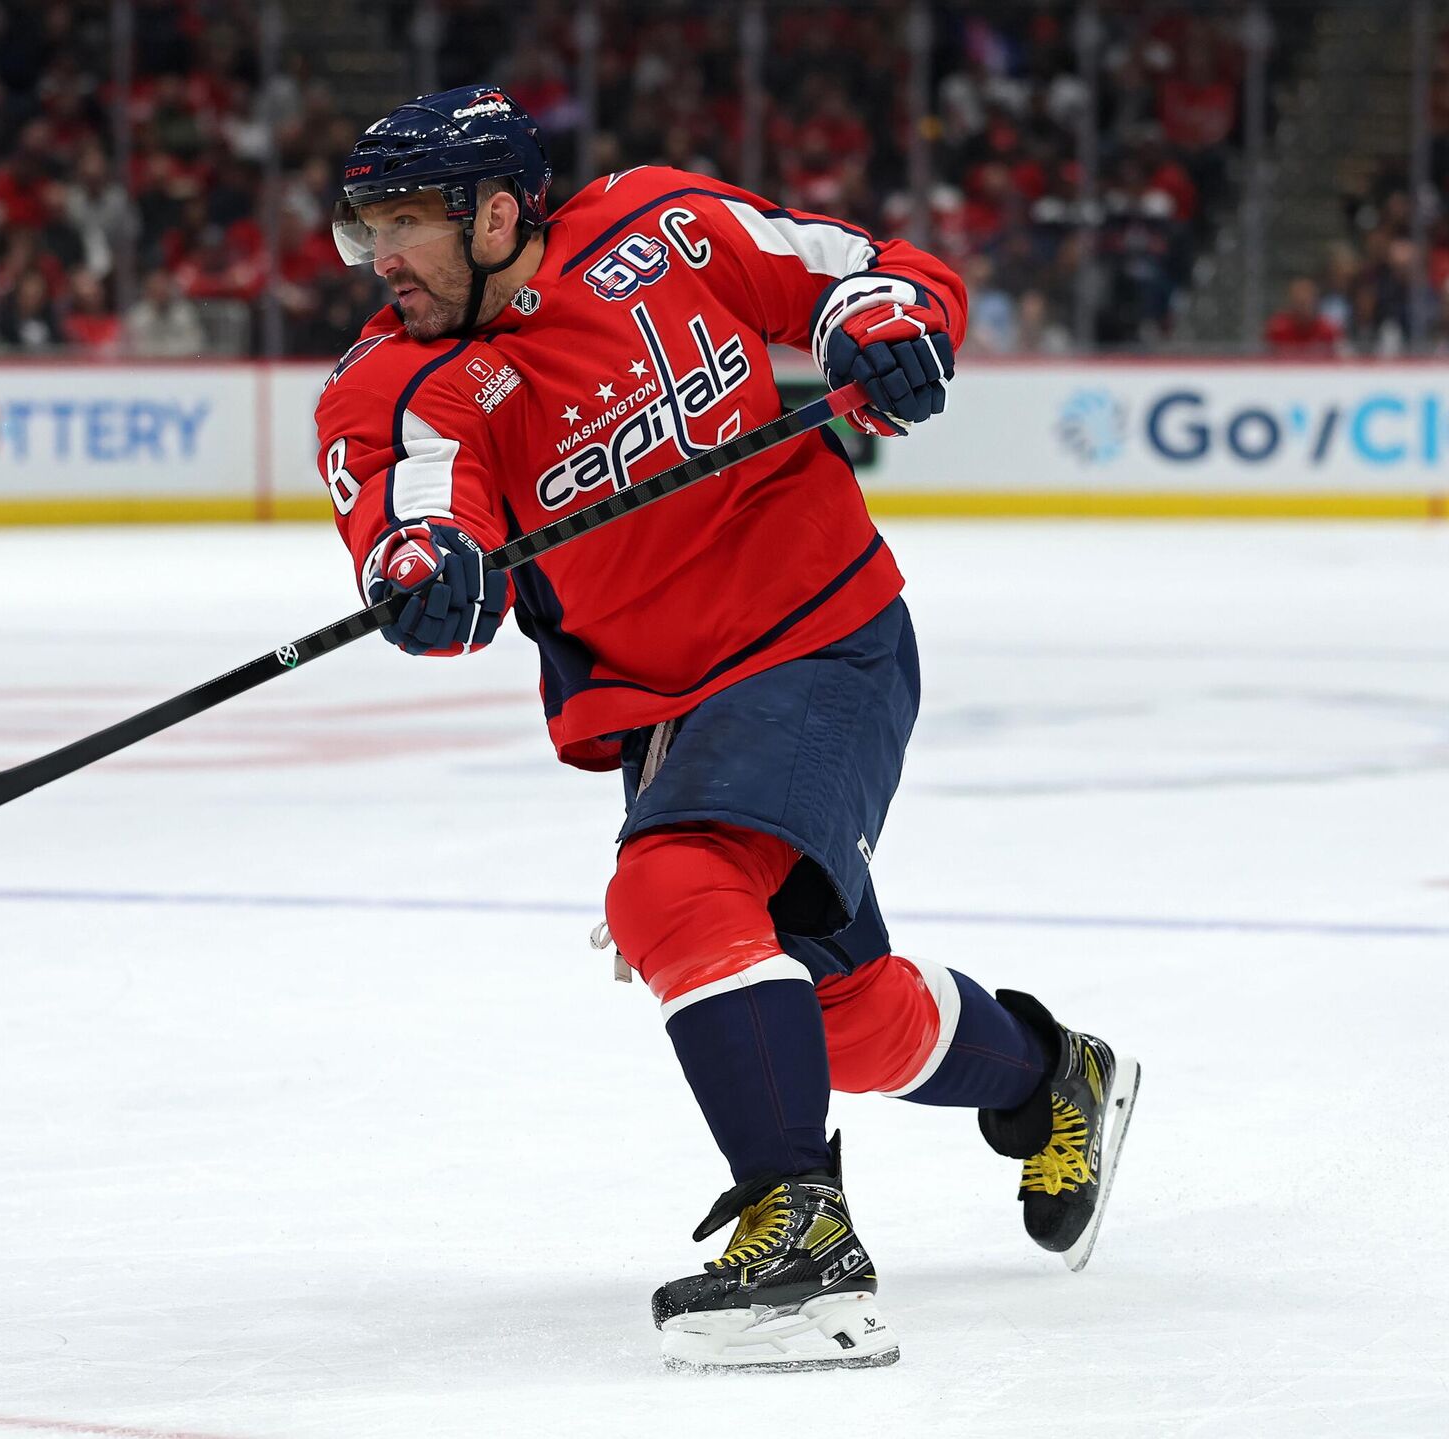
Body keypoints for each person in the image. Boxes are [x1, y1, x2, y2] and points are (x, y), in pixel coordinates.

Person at [312, 86, 1140, 1372]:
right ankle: (1050, 1073)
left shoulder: (661, 226)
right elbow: (419, 516)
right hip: (667, 709)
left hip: (822, 634)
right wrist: (428, 572)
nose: (382, 257)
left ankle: (802, 1241)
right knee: (840, 1017)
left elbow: (865, 272)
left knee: (674, 884)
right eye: (368, 228)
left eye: (407, 222)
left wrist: (884, 325)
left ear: (497, 213)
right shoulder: (395, 385)